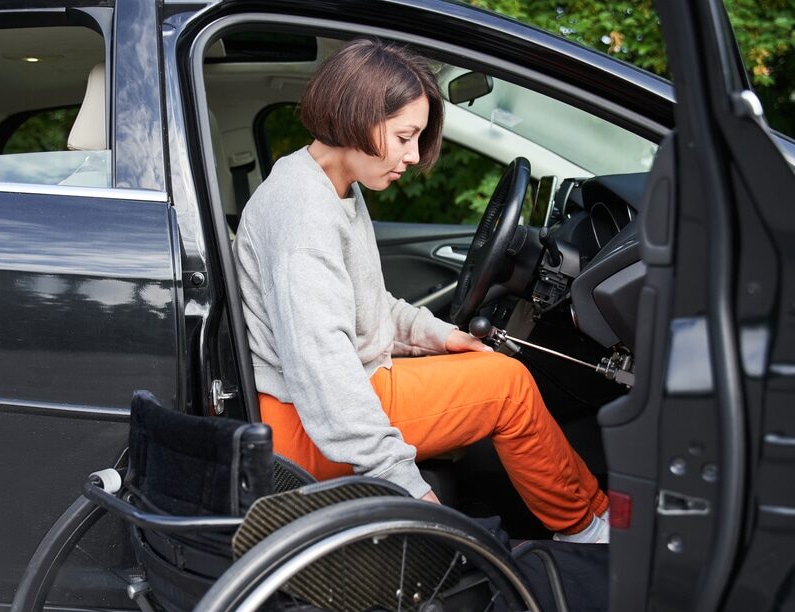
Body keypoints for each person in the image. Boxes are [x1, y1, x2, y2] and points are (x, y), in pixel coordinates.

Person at [233, 37, 609, 543]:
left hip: (331, 398)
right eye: (405, 136)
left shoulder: (328, 185)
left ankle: (598, 516)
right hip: (306, 429)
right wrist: (410, 488)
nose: (412, 156)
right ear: (358, 116)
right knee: (507, 387)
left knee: (488, 370)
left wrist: (440, 337)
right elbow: (324, 375)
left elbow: (368, 305)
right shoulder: (304, 214)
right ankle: (587, 534)